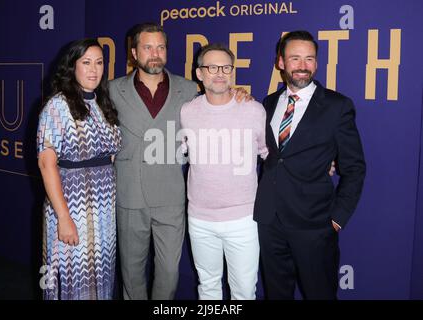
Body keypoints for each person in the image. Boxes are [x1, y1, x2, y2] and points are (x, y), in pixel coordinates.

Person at [109, 23, 249, 300]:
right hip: (130, 196)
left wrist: (240, 95)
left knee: (169, 274)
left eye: (160, 47)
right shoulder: (112, 90)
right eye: (147, 47)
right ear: (134, 53)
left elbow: (217, 106)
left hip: (172, 197)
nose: (155, 54)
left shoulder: (188, 89)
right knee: (131, 273)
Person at [254, 30, 366, 300]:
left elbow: (355, 168)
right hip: (269, 222)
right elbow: (272, 157)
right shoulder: (267, 103)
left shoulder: (337, 106)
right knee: (276, 294)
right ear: (281, 62)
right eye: (295, 58)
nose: (302, 66)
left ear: (316, 63)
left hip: (315, 225)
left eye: (309, 59)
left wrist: (337, 219)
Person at [180, 44, 268, 300]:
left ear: (232, 71)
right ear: (199, 73)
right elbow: (181, 152)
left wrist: (315, 164)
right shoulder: (188, 111)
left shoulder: (254, 110)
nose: (220, 73)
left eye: (226, 67)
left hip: (243, 219)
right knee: (207, 288)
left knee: (243, 292)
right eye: (212, 67)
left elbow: (270, 154)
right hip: (199, 219)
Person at [37, 38, 122, 300]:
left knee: (101, 279)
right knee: (72, 280)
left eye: (99, 62)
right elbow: (46, 163)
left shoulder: (102, 104)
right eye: (86, 63)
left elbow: (109, 157)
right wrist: (63, 217)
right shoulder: (57, 106)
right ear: (72, 67)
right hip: (71, 208)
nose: (93, 69)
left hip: (103, 213)